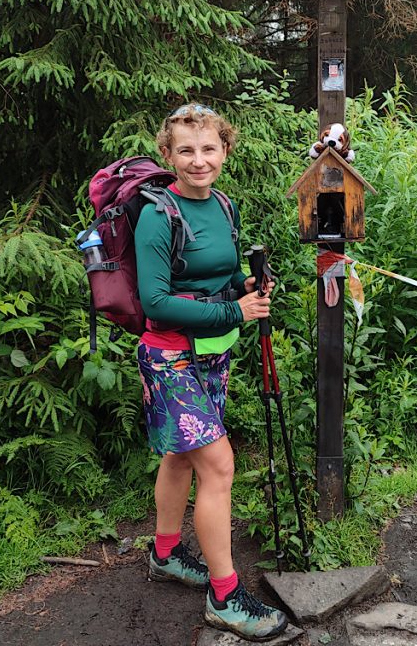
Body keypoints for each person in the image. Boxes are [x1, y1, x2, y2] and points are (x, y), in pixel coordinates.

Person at [134, 103, 288, 642]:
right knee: (219, 467)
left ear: (225, 150)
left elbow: (216, 279)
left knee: (181, 456)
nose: (198, 160)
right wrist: (234, 312)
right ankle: (224, 598)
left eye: (208, 149)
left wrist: (243, 287)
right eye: (186, 150)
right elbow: (155, 301)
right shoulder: (157, 216)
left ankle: (165, 554)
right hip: (170, 357)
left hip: (212, 355)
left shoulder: (223, 206)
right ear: (168, 154)